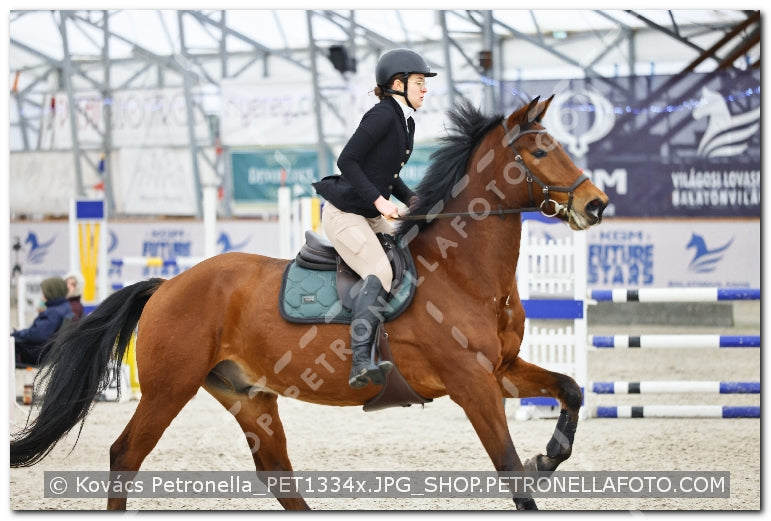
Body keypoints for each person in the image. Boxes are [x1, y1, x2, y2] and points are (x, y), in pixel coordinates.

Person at [312, 48, 436, 389]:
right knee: (379, 271)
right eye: (419, 82)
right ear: (398, 84)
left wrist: (413, 200)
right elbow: (347, 161)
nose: (425, 89)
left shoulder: (404, 121)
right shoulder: (382, 116)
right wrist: (381, 202)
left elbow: (386, 175)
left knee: (413, 248)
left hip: (368, 212)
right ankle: (361, 362)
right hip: (346, 214)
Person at [11, 277, 74, 365]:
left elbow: (37, 335)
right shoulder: (64, 307)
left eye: (44, 293)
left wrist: (15, 335)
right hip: (48, 352)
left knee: (9, 344)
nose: (42, 296)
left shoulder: (53, 312)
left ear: (52, 292)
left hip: (38, 355)